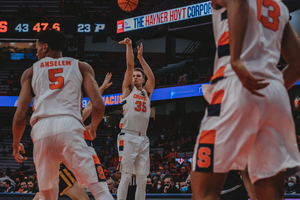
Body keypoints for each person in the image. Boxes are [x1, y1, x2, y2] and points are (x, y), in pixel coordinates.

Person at [191, 0, 300, 200]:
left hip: (235, 84)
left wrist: (236, 59)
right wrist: (268, 90)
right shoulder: (279, 7)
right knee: (272, 194)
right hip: (274, 94)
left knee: (205, 192)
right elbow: (298, 62)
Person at [12, 29, 113, 200]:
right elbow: (98, 105)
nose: (36, 52)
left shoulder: (30, 72)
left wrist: (16, 144)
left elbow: (20, 116)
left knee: (46, 195)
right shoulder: (81, 66)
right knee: (100, 191)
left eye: (37, 48)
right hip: (69, 126)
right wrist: (93, 127)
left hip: (41, 130)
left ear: (45, 47)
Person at [117, 37, 155, 200]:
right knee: (126, 176)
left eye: (138, 76)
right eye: (133, 76)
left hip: (143, 138)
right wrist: (130, 47)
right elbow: (129, 66)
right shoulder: (127, 91)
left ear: (143, 79)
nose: (135, 77)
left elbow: (152, 78)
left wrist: (141, 58)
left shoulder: (147, 92)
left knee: (142, 179)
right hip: (128, 136)